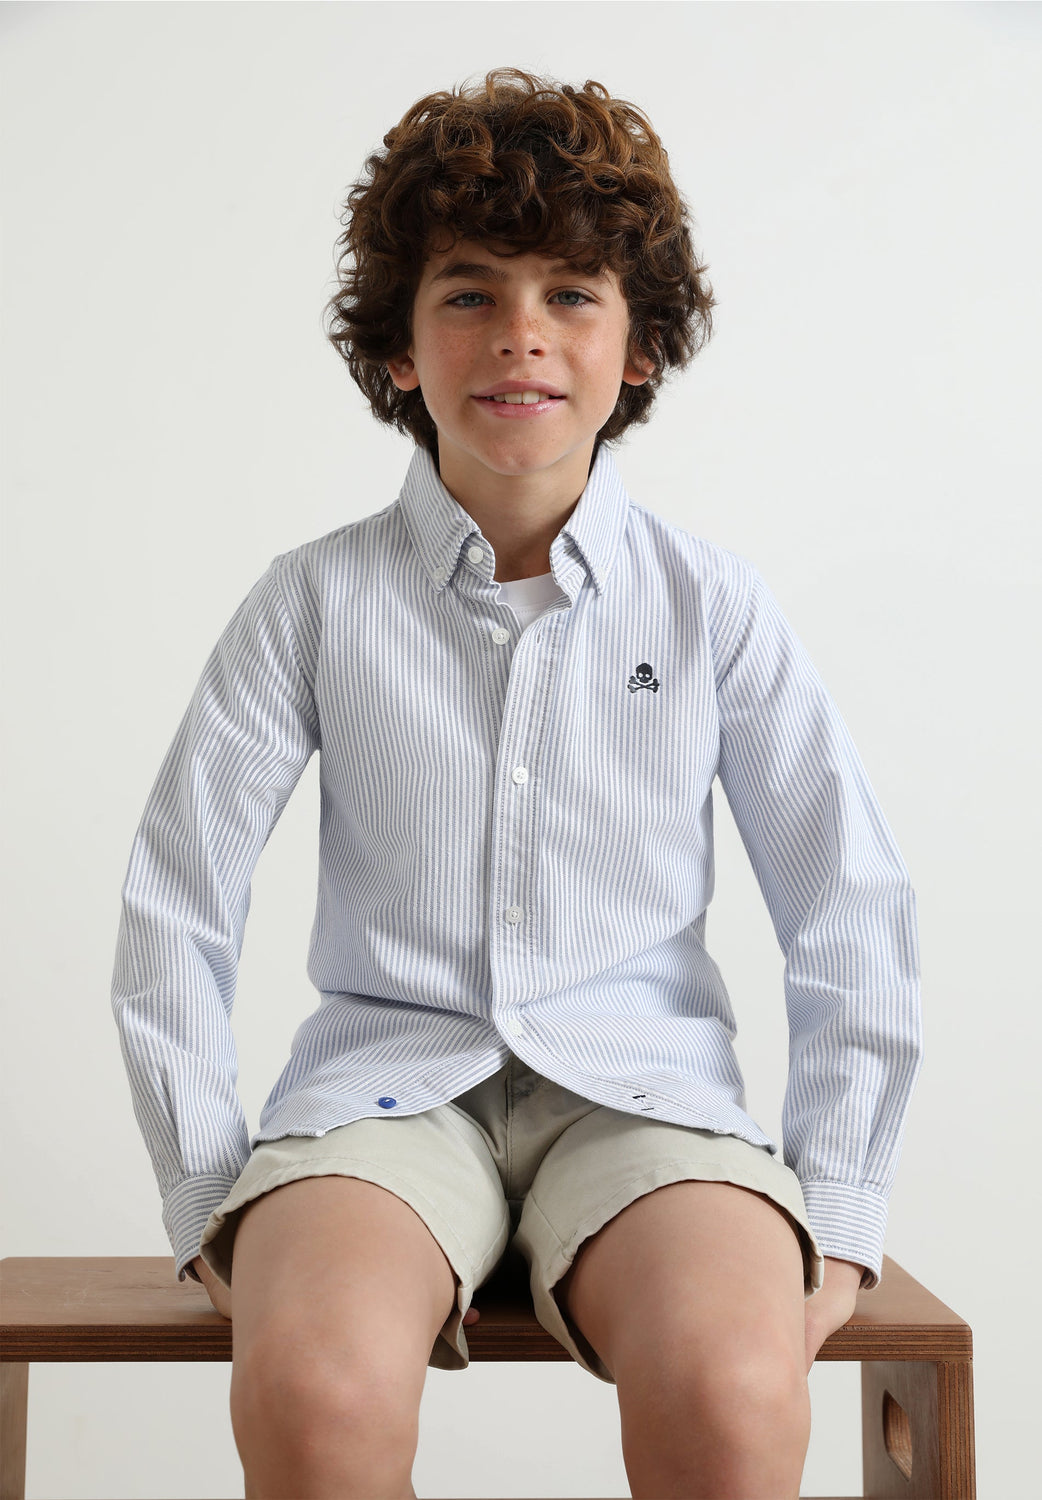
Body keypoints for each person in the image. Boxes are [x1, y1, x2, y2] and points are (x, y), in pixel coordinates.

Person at [111, 67, 923, 1500]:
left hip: (647, 1098)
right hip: (380, 1099)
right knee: (312, 1387)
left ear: (641, 346)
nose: (520, 335)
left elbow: (846, 899)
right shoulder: (311, 603)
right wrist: (200, 1189)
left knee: (735, 1387)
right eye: (470, 292)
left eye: (572, 294)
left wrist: (843, 1207)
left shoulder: (712, 605)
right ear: (398, 348)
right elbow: (179, 898)